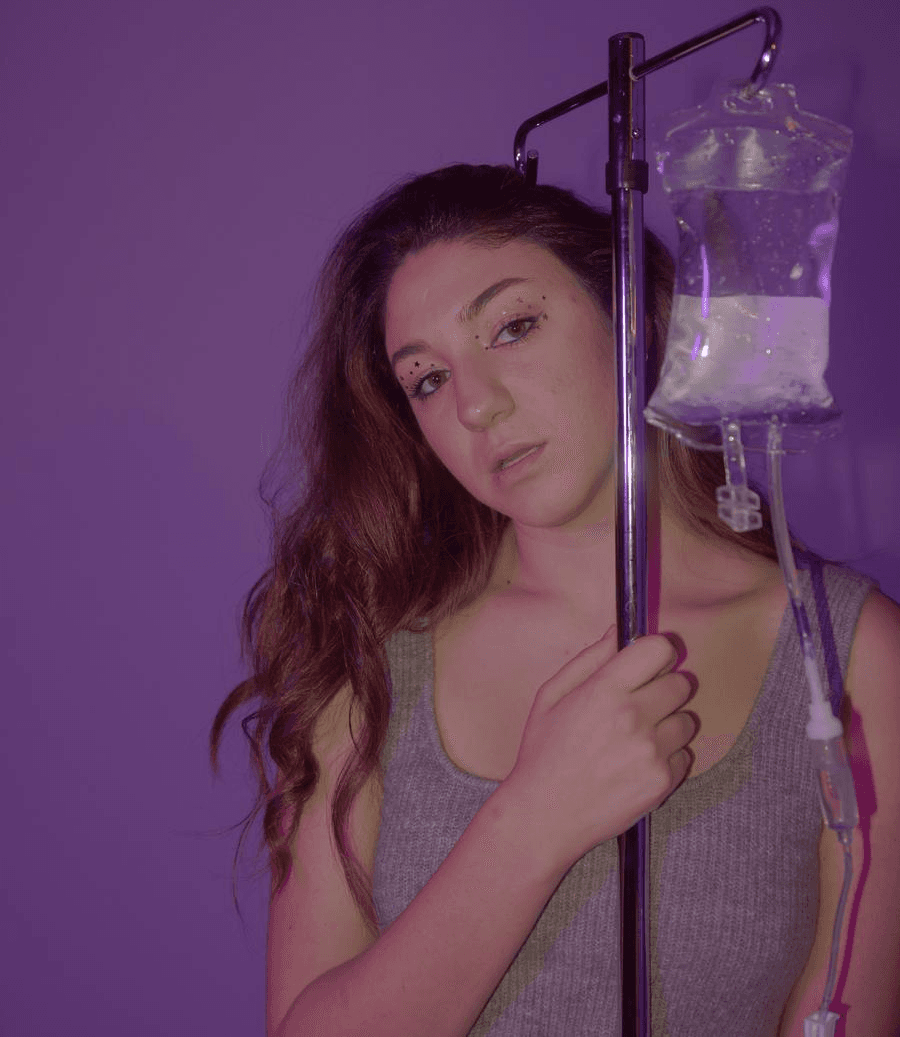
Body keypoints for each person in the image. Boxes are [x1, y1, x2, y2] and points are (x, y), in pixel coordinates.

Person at [211, 164, 900, 1036]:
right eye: (426, 379)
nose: (475, 405)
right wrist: (536, 818)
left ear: (631, 318)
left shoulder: (849, 656)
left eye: (513, 327)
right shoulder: (372, 659)